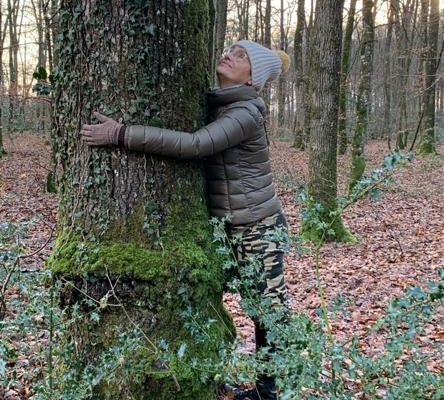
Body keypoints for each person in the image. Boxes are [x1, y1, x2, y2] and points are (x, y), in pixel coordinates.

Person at [81, 40, 290, 400]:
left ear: (253, 78)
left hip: (259, 228)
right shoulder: (222, 104)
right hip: (232, 226)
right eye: (231, 49)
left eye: (242, 57)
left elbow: (195, 145)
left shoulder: (246, 113)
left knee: (268, 312)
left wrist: (121, 133)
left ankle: (270, 392)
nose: (229, 54)